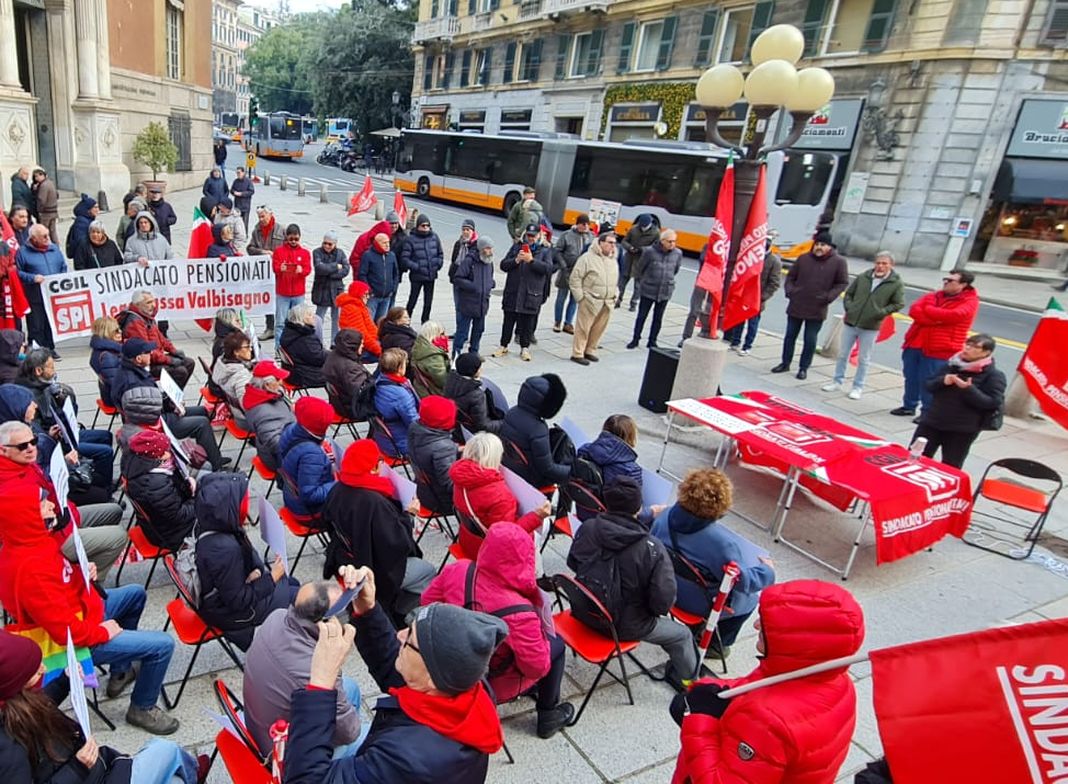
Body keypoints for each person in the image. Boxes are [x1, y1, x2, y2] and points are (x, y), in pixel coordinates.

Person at [282, 568, 508, 784]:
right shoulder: (460, 685)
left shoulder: (405, 758)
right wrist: (366, 610)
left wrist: (321, 683)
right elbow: (402, 672)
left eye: (410, 639)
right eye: (409, 627)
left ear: (432, 678)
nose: (399, 635)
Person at [0, 481, 180, 735]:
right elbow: (67, 634)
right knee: (163, 645)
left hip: (83, 611)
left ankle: (121, 671)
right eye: (42, 503)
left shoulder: (31, 541)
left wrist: (79, 573)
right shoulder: (29, 569)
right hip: (75, 641)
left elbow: (60, 578)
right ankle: (142, 708)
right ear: (24, 515)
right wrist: (104, 632)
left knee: (135, 594)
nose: (51, 505)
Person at [670, 580, 866, 784]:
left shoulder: (766, 721)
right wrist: (715, 689)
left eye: (765, 624)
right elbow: (761, 686)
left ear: (794, 641)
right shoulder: (833, 680)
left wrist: (700, 719)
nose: (756, 626)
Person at [423, 523, 576, 737]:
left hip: (443, 666)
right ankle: (548, 715)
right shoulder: (520, 613)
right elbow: (536, 668)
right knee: (556, 645)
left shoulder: (458, 569)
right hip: (486, 683)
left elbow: (427, 605)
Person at [0, 628, 203, 782]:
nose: (44, 668)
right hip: (92, 774)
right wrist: (78, 767)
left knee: (160, 755)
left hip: (95, 768)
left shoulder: (13, 703)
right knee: (166, 749)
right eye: (34, 671)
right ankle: (195, 773)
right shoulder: (9, 752)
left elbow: (36, 706)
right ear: (13, 683)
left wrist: (64, 681)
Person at [567, 477, 699, 689]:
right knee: (682, 635)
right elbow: (662, 604)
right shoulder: (652, 548)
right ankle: (689, 683)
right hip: (623, 626)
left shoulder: (588, 527)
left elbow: (573, 562)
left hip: (583, 609)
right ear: (639, 507)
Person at [650, 469, 775, 656]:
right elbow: (742, 581)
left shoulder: (664, 515)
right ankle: (716, 645)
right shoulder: (722, 543)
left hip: (662, 588)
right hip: (696, 603)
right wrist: (767, 571)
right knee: (750, 600)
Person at [243, 579, 368, 760]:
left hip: (259, 728)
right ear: (326, 624)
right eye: (343, 613)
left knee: (352, 688)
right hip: (285, 757)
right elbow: (350, 733)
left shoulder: (276, 616)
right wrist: (334, 665)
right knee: (374, 738)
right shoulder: (313, 670)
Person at [321, 439, 435, 620]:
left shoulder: (337, 489)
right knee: (428, 571)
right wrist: (408, 516)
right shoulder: (374, 502)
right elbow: (397, 545)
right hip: (374, 568)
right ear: (373, 468)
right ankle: (411, 617)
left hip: (345, 557)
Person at [0, 416, 126, 577]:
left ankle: (85, 561)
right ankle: (90, 585)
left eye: (34, 441)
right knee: (118, 536)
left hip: (65, 515)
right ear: (3, 450)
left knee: (114, 510)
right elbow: (35, 531)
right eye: (22, 446)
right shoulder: (9, 485)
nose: (31, 448)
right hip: (55, 535)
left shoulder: (23, 464)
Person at [194, 472, 300, 651]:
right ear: (228, 507)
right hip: (228, 613)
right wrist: (272, 577)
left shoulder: (212, 523)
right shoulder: (224, 549)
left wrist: (258, 571)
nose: (246, 506)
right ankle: (292, 650)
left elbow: (249, 559)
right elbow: (238, 601)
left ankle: (287, 632)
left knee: (291, 583)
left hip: (226, 595)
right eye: (243, 501)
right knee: (300, 596)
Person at [110, 339, 229, 470]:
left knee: (203, 411)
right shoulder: (133, 382)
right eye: (148, 352)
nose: (151, 354)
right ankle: (216, 467)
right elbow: (149, 410)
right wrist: (172, 406)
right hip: (154, 423)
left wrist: (172, 402)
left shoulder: (132, 372)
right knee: (202, 423)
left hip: (153, 415)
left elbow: (149, 403)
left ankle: (211, 455)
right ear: (138, 358)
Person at [16, 348, 116, 491]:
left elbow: (67, 417)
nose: (54, 371)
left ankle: (100, 478)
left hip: (65, 433)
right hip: (58, 443)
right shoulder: (31, 397)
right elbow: (38, 430)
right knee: (105, 452)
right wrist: (52, 433)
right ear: (38, 371)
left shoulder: (43, 386)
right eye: (51, 367)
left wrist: (65, 401)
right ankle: (104, 489)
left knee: (105, 436)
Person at [892, 269, 980, 417]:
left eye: (951, 280)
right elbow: (914, 310)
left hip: (939, 348)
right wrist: (935, 319)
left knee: (931, 380)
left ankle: (928, 412)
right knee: (911, 377)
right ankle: (909, 405)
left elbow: (954, 316)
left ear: (963, 284)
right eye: (945, 279)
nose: (946, 282)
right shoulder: (934, 295)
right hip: (915, 343)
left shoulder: (970, 301)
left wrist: (928, 311)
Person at [910, 333, 1005, 468]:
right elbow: (928, 385)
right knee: (915, 457)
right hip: (933, 421)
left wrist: (968, 389)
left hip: (961, 430)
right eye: (967, 344)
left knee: (950, 466)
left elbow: (992, 403)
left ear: (986, 353)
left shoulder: (994, 375)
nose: (967, 348)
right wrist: (943, 380)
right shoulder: (951, 365)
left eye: (974, 347)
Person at [450, 431, 550, 559]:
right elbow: (506, 536)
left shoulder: (460, 477)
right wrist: (537, 516)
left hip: (467, 540)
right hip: (488, 552)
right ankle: (533, 573)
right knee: (545, 524)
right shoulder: (500, 496)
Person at [822, 251, 905, 400]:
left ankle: (857, 386)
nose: (880, 266)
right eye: (878, 263)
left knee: (863, 358)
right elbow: (849, 294)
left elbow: (898, 303)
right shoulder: (864, 277)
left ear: (891, 265)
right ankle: (837, 381)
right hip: (851, 321)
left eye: (884, 263)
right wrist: (850, 307)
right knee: (842, 354)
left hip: (871, 326)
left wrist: (881, 312)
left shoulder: (895, 283)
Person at [771, 231, 849, 381]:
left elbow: (842, 283)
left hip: (817, 307)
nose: (819, 247)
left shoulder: (838, 262)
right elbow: (791, 277)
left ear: (829, 247)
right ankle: (785, 362)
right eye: (817, 244)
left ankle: (803, 368)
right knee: (790, 336)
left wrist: (828, 297)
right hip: (797, 304)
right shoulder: (803, 258)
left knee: (810, 339)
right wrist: (791, 291)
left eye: (823, 245)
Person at [124, 429, 197, 552]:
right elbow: (180, 516)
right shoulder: (155, 484)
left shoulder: (136, 463)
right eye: (166, 451)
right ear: (156, 456)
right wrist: (200, 499)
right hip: (173, 533)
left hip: (160, 523)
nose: (170, 453)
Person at [494, 223, 554, 362]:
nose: (530, 238)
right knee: (508, 321)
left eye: (533, 236)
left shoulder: (544, 250)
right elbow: (503, 265)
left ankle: (525, 348)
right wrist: (516, 260)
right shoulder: (517, 247)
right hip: (513, 292)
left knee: (527, 323)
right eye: (528, 235)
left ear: (539, 235)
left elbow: (548, 269)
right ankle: (503, 345)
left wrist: (532, 261)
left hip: (531, 294)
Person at [500, 372, 571, 488]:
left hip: (511, 467)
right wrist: (572, 471)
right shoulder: (538, 429)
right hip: (529, 478)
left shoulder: (512, 412)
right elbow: (547, 468)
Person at [277, 396, 338, 523]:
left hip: (292, 498)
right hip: (309, 512)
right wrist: (338, 484)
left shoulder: (291, 428)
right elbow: (310, 495)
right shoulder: (311, 454)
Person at [574, 414, 643, 521]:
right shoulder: (631, 470)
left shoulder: (584, 450)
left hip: (584, 512)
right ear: (631, 437)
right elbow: (633, 511)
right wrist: (652, 512)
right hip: (611, 524)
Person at [118, 291, 194, 387]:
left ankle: (174, 397)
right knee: (180, 371)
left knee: (189, 363)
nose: (153, 305)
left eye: (153, 301)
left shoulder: (146, 316)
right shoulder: (135, 322)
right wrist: (169, 360)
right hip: (145, 364)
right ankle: (170, 400)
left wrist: (173, 350)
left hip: (156, 358)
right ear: (138, 305)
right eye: (148, 303)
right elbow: (146, 351)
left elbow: (161, 338)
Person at [720, 237, 782, 354]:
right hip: (743, 296)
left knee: (752, 324)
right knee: (739, 321)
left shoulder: (774, 262)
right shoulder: (750, 256)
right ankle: (735, 342)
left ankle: (747, 346)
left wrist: (762, 297)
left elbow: (774, 284)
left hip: (757, 299)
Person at [569, 228, 619, 365]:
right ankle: (578, 353)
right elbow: (575, 278)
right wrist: (580, 297)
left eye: (614, 243)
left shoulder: (613, 259)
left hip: (607, 300)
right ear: (601, 243)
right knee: (584, 328)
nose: (613, 246)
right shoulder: (587, 258)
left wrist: (616, 294)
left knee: (599, 328)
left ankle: (590, 350)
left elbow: (615, 279)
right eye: (610, 242)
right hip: (590, 299)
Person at [627, 229, 682, 350]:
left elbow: (675, 270)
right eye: (670, 241)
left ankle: (652, 341)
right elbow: (640, 269)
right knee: (642, 316)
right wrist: (644, 282)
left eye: (674, 241)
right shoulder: (650, 252)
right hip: (648, 289)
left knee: (658, 318)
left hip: (665, 291)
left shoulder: (677, 253)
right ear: (662, 241)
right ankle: (635, 339)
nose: (672, 244)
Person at [15, 224, 66, 350]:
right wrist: (32, 278)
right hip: (34, 295)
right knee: (36, 325)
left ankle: (50, 348)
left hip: (52, 295)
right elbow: (17, 273)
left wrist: (62, 278)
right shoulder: (22, 252)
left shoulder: (54, 249)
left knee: (50, 323)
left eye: (48, 235)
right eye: (44, 236)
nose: (47, 238)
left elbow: (63, 266)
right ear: (34, 238)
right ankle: (38, 350)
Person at [408, 395, 459, 514]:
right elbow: (450, 485)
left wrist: (455, 449)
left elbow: (431, 449)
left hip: (423, 490)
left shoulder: (415, 428)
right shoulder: (443, 448)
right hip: (442, 501)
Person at [242, 360, 295, 472]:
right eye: (278, 379)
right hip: (280, 459)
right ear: (266, 385)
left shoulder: (262, 395)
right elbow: (277, 444)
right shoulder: (264, 414)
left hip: (285, 442)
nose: (281, 382)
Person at [453, 234, 496, 358]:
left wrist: (490, 284)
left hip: (482, 305)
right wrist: (473, 286)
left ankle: (474, 353)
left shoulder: (489, 262)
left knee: (478, 331)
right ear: (481, 249)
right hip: (468, 304)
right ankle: (456, 354)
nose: (490, 251)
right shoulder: (469, 261)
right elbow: (458, 278)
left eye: (491, 248)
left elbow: (490, 278)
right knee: (462, 331)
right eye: (488, 248)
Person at [372, 347, 420, 458]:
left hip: (384, 439)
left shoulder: (380, 380)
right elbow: (414, 423)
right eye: (405, 363)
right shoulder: (400, 395)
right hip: (401, 444)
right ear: (399, 368)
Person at [247, 206, 286, 339]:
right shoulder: (256, 231)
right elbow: (250, 248)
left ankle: (281, 326)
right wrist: (262, 252)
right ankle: (270, 327)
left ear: (271, 215)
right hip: (264, 272)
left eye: (263, 216)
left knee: (280, 299)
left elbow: (290, 247)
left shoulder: (281, 230)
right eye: (259, 217)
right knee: (267, 299)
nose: (261, 219)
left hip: (280, 271)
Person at [444, 352, 503, 436]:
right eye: (479, 368)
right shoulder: (476, 395)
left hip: (454, 423)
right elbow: (483, 425)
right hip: (467, 432)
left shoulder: (450, 380)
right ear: (474, 372)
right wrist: (503, 423)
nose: (481, 370)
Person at [272, 224, 312, 349]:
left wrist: (301, 270)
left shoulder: (305, 253)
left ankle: (296, 347)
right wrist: (280, 268)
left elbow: (308, 269)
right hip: (283, 293)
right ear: (286, 238)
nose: (294, 241)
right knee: (280, 322)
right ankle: (279, 348)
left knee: (299, 322)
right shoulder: (279, 252)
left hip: (298, 293)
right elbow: (274, 268)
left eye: (296, 239)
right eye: (291, 239)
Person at [552, 213, 592, 334]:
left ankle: (568, 323)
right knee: (561, 298)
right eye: (582, 224)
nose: (585, 227)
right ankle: (557, 321)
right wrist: (563, 265)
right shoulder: (567, 235)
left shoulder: (590, 237)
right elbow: (557, 251)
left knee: (574, 299)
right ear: (577, 224)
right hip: (566, 270)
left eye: (587, 225)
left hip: (580, 273)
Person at [401, 214, 444, 323]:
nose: (425, 228)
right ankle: (406, 319)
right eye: (423, 226)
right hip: (417, 276)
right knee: (413, 299)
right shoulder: (410, 239)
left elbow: (440, 253)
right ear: (418, 226)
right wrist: (417, 267)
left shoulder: (434, 237)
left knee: (428, 301)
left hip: (431, 275)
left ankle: (425, 320)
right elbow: (405, 259)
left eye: (427, 226)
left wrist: (438, 264)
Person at [312, 230, 351, 345]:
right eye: (325, 243)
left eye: (330, 244)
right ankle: (317, 341)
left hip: (336, 290)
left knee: (337, 318)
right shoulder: (317, 252)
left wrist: (329, 273)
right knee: (319, 318)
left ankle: (335, 342)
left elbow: (346, 270)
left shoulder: (341, 253)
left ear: (335, 244)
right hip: (322, 289)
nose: (326, 246)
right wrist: (335, 266)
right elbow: (319, 269)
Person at [324, 329, 372, 420]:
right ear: (353, 346)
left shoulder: (335, 354)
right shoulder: (350, 368)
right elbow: (362, 392)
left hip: (341, 403)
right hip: (351, 408)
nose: (363, 346)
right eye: (361, 344)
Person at [618, 213, 661, 311]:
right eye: (641, 226)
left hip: (642, 260)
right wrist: (630, 247)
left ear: (650, 224)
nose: (643, 228)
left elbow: (655, 247)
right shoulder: (634, 229)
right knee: (622, 281)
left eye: (645, 226)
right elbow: (624, 241)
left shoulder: (656, 233)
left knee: (638, 285)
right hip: (629, 258)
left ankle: (633, 303)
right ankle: (618, 300)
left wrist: (642, 249)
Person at [280, 303, 328, 388]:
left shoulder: (290, 331)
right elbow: (318, 358)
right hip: (306, 375)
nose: (313, 316)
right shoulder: (305, 338)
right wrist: (335, 354)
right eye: (309, 315)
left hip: (294, 373)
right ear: (300, 319)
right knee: (340, 372)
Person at [358, 232, 399, 322]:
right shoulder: (368, 255)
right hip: (373, 296)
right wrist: (369, 290)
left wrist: (393, 288)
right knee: (369, 321)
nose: (387, 245)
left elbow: (396, 274)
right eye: (384, 243)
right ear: (377, 243)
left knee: (381, 322)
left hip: (387, 296)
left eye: (388, 242)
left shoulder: (391, 255)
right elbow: (362, 274)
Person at [448, 218, 479, 338]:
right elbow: (454, 260)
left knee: (465, 308)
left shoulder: (476, 246)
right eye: (464, 229)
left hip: (468, 282)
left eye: (468, 229)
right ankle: (460, 332)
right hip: (457, 280)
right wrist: (452, 275)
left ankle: (464, 332)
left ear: (473, 231)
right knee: (458, 307)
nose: (465, 232)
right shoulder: (458, 243)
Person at [336, 281, 382, 358]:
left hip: (364, 344)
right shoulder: (351, 309)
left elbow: (371, 328)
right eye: (365, 294)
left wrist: (381, 339)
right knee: (388, 359)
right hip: (356, 348)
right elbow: (362, 335)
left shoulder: (360, 306)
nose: (368, 297)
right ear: (359, 294)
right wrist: (379, 351)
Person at [211, 330, 254, 406]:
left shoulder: (221, 362)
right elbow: (246, 405)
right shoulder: (241, 377)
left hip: (230, 405)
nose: (250, 349)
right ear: (236, 352)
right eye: (247, 347)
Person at [410, 320, 451, 398]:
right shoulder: (434, 356)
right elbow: (442, 380)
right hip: (433, 392)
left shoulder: (419, 347)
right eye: (441, 334)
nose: (444, 337)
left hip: (422, 389)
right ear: (434, 335)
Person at [89, 317, 122, 406]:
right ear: (107, 333)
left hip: (110, 393)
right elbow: (117, 384)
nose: (120, 332)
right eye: (116, 330)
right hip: (115, 398)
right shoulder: (108, 356)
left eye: (119, 329)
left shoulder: (102, 349)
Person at [31, 167, 59, 245]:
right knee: (53, 232)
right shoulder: (50, 183)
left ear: (42, 175)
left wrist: (39, 211)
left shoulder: (43, 185)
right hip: (53, 211)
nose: (36, 178)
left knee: (43, 231)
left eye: (37, 176)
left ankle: (46, 246)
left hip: (46, 213)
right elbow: (57, 195)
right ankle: (56, 246)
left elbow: (41, 199)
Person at [230, 166, 255, 232]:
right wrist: (233, 192)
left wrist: (241, 194)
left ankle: (245, 235)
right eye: (237, 173)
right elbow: (232, 189)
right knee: (236, 222)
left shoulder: (248, 181)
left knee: (245, 222)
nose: (238, 174)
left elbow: (251, 191)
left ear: (243, 173)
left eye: (239, 173)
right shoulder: (235, 181)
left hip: (245, 205)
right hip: (237, 205)